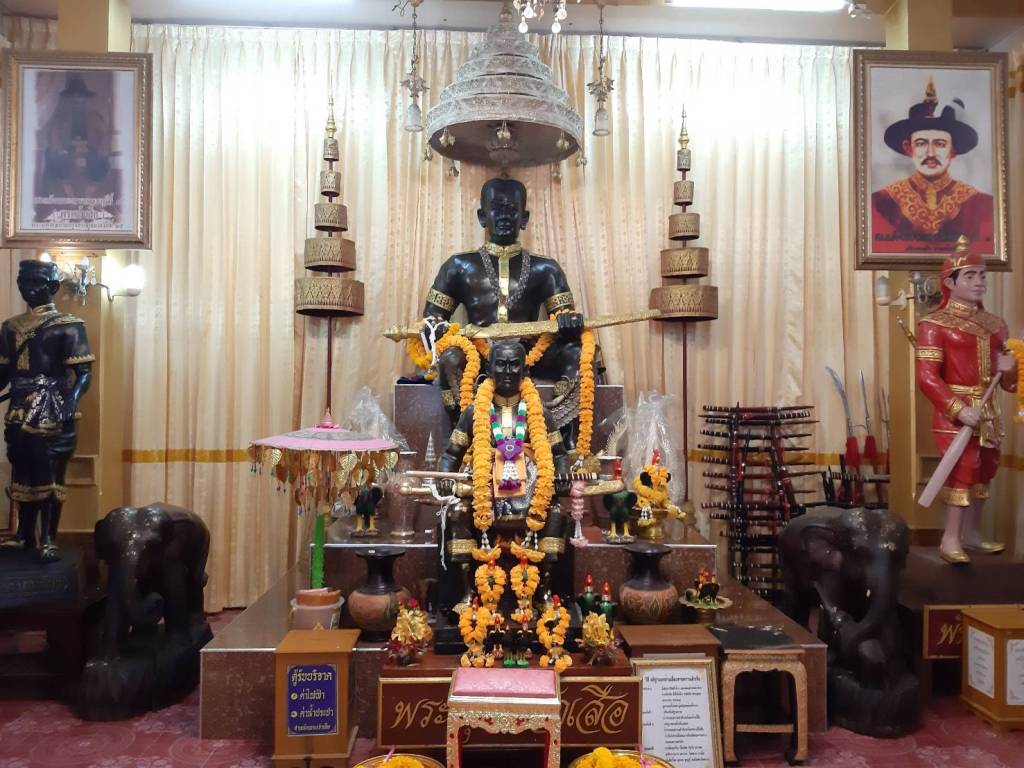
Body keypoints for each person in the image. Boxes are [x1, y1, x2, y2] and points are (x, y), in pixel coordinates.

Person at [421, 177, 586, 437]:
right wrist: (438, 329)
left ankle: (566, 441)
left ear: (524, 218)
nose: (505, 216)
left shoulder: (546, 268)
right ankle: (463, 436)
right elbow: (431, 317)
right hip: (479, 355)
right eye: (497, 208)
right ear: (482, 216)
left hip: (530, 356)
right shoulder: (459, 265)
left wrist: (569, 323)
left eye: (512, 209)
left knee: (579, 353)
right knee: (450, 358)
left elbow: (563, 317)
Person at [915, 237, 1017, 564]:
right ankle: (950, 538)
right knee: (963, 469)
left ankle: (972, 534)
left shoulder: (996, 325)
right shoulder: (933, 324)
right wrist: (958, 409)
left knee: (986, 469)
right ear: (950, 282)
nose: (978, 282)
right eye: (970, 276)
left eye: (982, 275)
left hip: (988, 411)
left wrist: (1010, 369)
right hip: (955, 412)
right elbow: (927, 377)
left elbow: (1009, 384)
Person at [1, 260, 93, 561]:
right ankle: (24, 534)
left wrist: (72, 400)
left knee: (51, 472)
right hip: (19, 407)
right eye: (23, 281)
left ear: (52, 287)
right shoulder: (10, 327)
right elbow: (4, 372)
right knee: (22, 470)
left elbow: (83, 374)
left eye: (35, 282)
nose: (27, 288)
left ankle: (49, 539)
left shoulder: (69, 325)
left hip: (54, 406)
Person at [872, 79, 993, 254]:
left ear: (953, 150)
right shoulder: (881, 202)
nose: (930, 153)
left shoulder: (981, 204)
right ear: (908, 148)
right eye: (921, 143)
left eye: (940, 144)